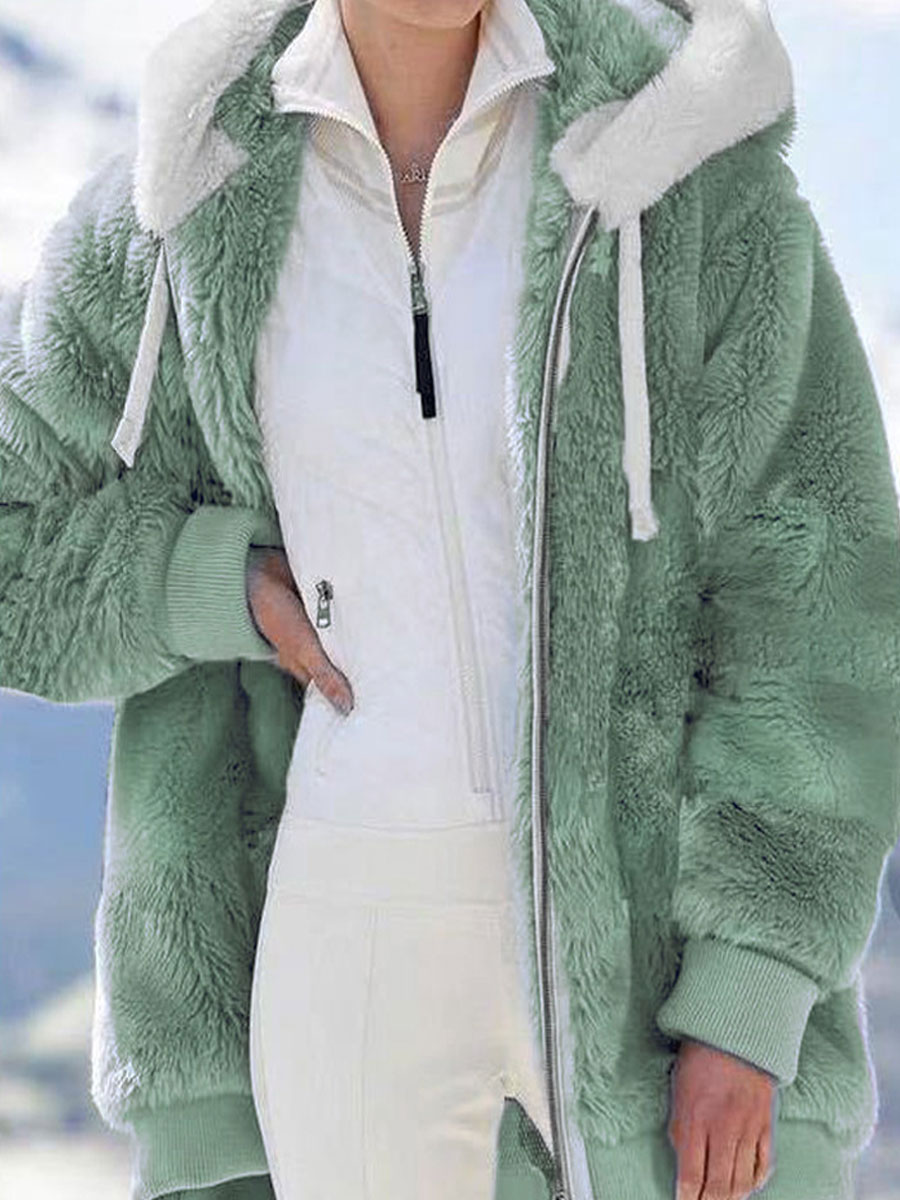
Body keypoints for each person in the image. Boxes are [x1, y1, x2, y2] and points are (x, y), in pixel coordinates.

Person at [1, 0, 898, 1198]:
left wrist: (751, 986)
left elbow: (821, 588)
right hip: (349, 935)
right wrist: (210, 584)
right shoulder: (182, 201)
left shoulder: (679, 157)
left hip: (645, 956)